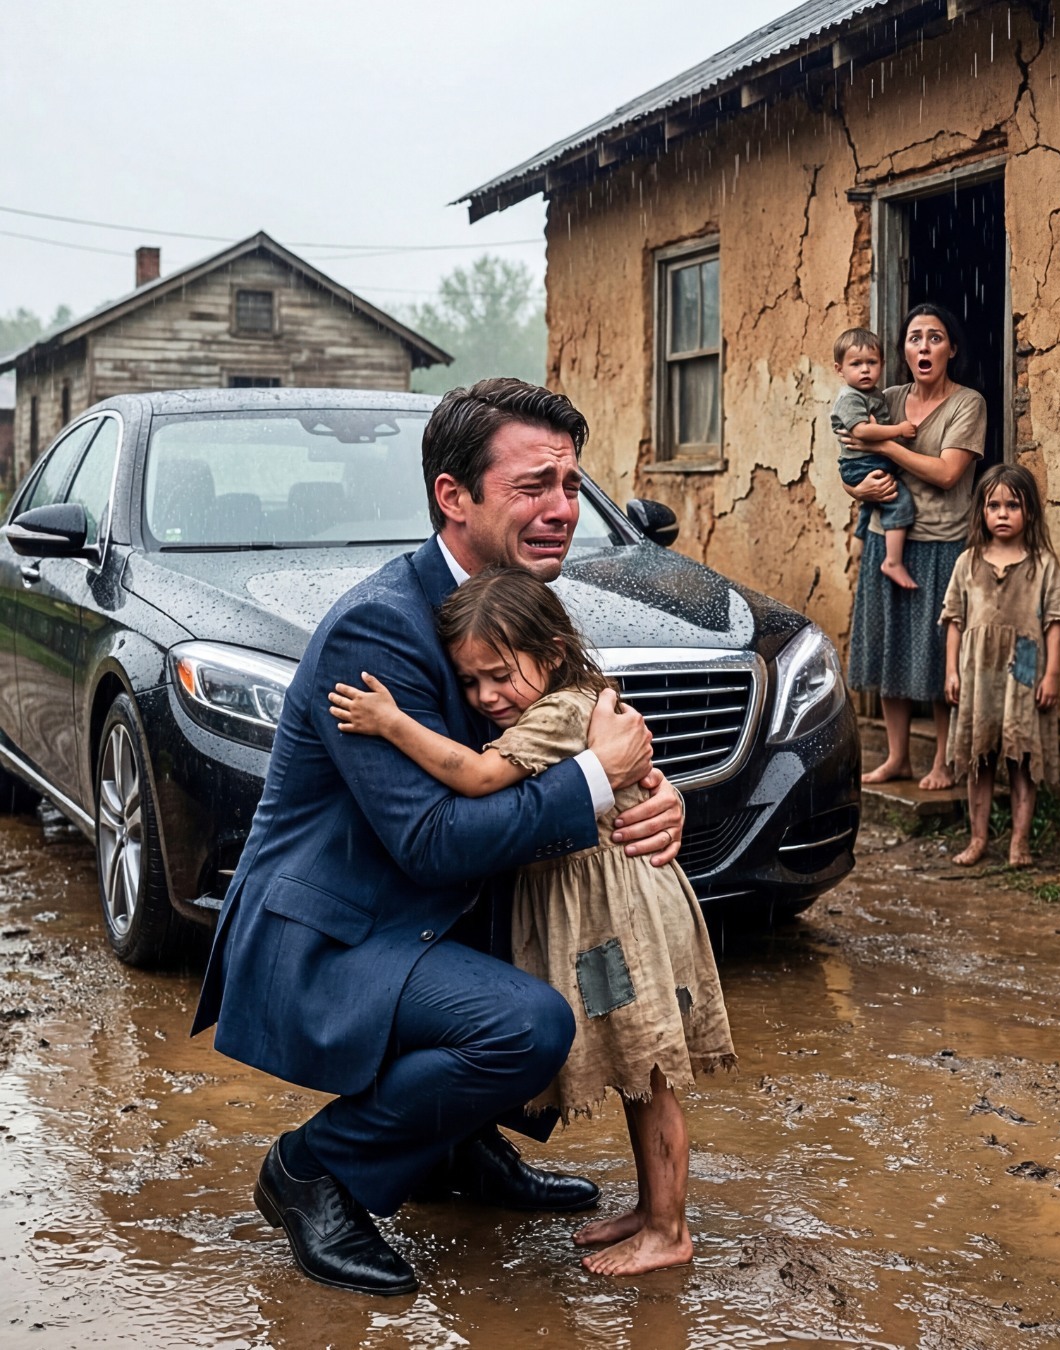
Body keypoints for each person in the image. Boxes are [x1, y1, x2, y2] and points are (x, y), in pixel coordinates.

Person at [190, 378, 686, 1297]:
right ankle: (315, 1172)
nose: (562, 511)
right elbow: (432, 843)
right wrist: (594, 785)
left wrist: (658, 798)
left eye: (572, 486)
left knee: (579, 955)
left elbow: (591, 734)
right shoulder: (380, 627)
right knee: (528, 1023)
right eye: (533, 486)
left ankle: (456, 1151)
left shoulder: (519, 603)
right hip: (335, 930)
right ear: (453, 497)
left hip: (429, 912)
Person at [330, 565, 737, 1277]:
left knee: (648, 1069)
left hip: (619, 916)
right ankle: (651, 1208)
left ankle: (669, 1229)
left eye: (498, 676)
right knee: (633, 1066)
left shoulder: (559, 713)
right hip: (609, 914)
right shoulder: (572, 704)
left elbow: (479, 778)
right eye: (470, 682)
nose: (486, 697)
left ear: (550, 655)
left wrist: (392, 724)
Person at [843, 303, 987, 790]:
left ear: (951, 349)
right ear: (903, 351)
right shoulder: (885, 397)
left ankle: (943, 761)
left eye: (935, 337)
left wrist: (885, 446)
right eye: (914, 338)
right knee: (888, 648)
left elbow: (948, 474)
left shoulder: (968, 403)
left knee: (937, 655)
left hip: (943, 544)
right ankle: (898, 757)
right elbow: (850, 455)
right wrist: (857, 491)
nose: (924, 346)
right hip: (886, 540)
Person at [941, 465, 1060, 868]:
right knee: (980, 757)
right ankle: (978, 838)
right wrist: (952, 670)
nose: (1002, 513)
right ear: (981, 511)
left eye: (1012, 505)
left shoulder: (1042, 564)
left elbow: (1055, 622)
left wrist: (1050, 674)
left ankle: (1019, 842)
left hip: (1024, 670)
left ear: (1029, 512)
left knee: (1020, 758)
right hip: (978, 672)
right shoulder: (967, 562)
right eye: (993, 505)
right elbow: (954, 620)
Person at [831, 326, 918, 589]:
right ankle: (892, 561)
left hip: (865, 462)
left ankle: (859, 535)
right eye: (856, 364)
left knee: (873, 500)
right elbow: (861, 431)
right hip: (860, 465)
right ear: (840, 369)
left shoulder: (874, 394)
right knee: (898, 500)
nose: (865, 370)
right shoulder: (850, 398)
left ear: (882, 363)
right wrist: (899, 430)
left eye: (871, 362)